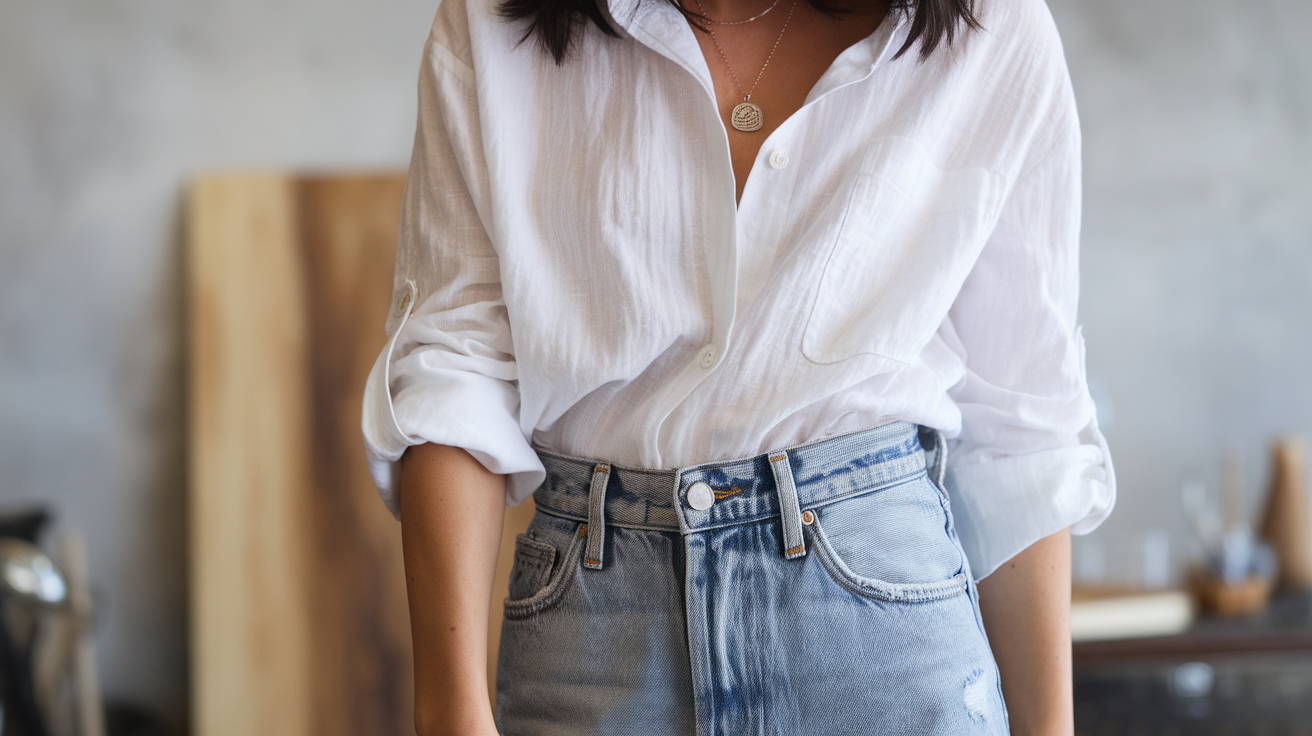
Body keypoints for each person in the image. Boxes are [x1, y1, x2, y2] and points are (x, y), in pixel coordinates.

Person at [361, 0, 1116, 730]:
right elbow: (454, 367)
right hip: (592, 638)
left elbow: (1020, 425)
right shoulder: (492, 20)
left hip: (886, 635)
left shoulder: (991, 27)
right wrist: (450, 712)